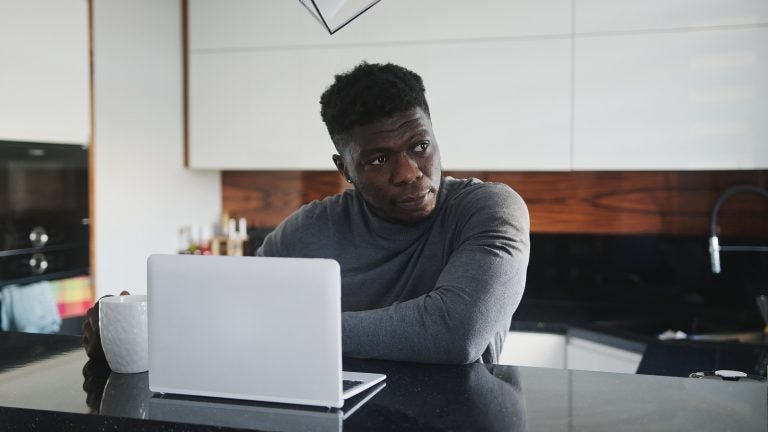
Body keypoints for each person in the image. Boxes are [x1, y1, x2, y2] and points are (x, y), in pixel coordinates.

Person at [84, 62, 530, 365]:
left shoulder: (489, 209)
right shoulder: (308, 232)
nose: (409, 173)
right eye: (378, 159)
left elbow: (455, 332)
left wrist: (286, 330)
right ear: (345, 169)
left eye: (420, 146)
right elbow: (233, 312)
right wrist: (143, 324)